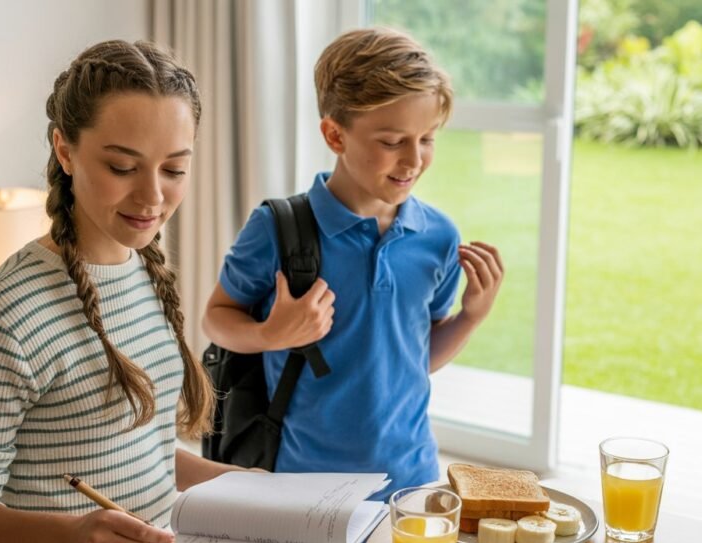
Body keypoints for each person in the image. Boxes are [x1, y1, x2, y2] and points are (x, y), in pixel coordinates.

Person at [0, 40, 240, 543]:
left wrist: (232, 484)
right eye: (122, 166)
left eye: (174, 170)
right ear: (64, 150)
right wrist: (70, 541)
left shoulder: (146, 270)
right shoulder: (4, 320)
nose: (152, 197)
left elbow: (137, 447)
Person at [203, 28, 505, 501]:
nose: (414, 159)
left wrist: (472, 316)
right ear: (334, 134)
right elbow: (216, 317)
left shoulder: (438, 237)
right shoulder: (277, 228)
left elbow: (414, 361)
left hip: (411, 477)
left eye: (426, 139)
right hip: (303, 481)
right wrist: (270, 336)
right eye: (392, 141)